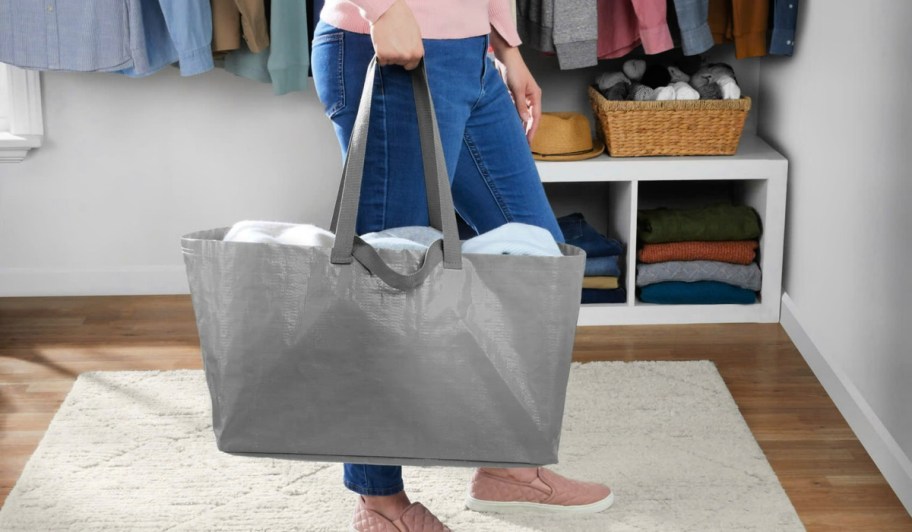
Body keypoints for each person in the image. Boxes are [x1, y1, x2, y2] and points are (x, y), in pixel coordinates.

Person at [311, 1, 615, 529]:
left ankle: (508, 467)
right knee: (388, 286)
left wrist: (504, 42)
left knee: (534, 261)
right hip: (393, 46)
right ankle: (379, 504)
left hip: (471, 56)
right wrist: (380, 9)